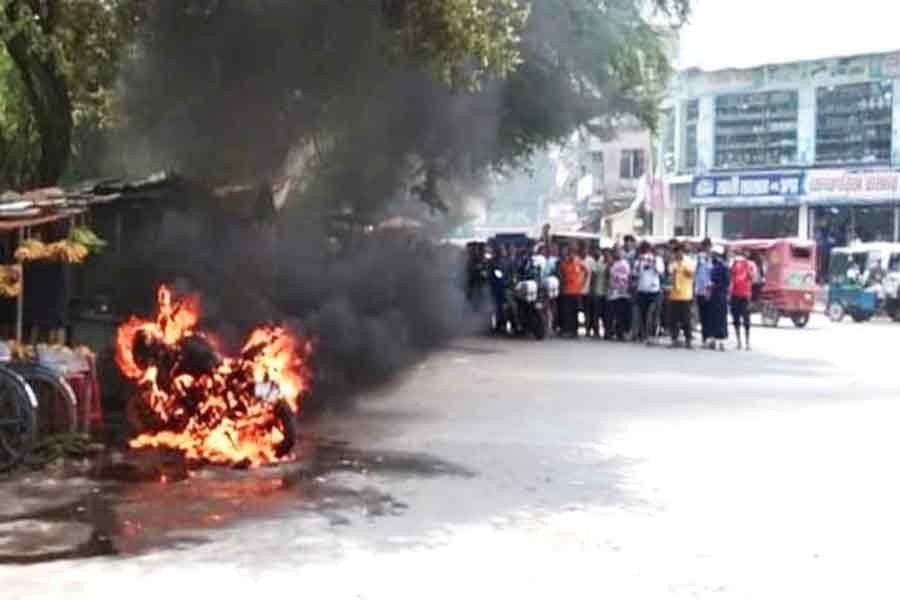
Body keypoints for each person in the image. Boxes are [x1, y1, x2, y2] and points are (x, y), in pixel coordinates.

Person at [635, 241, 664, 344]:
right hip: (642, 290)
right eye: (643, 250)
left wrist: (653, 261)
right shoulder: (639, 260)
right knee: (642, 314)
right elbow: (635, 273)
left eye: (646, 249)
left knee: (651, 313)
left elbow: (660, 272)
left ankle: (652, 334)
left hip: (654, 290)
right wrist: (639, 262)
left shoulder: (658, 259)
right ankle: (643, 335)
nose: (645, 252)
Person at [668, 242, 696, 348]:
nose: (678, 254)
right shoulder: (673, 263)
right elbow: (670, 273)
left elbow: (692, 274)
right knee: (673, 319)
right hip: (674, 295)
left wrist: (683, 268)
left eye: (680, 251)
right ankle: (674, 339)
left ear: (683, 252)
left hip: (685, 295)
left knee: (686, 319)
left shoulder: (688, 261)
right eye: (676, 252)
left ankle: (688, 340)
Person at [730, 249, 757, 351]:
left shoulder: (751, 265)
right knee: (736, 319)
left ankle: (747, 343)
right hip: (735, 294)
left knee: (746, 320)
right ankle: (739, 342)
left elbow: (752, 277)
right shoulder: (735, 263)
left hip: (745, 295)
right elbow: (731, 276)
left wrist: (746, 267)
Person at [559, 245, 587, 337]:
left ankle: (574, 331)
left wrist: (583, 283)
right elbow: (562, 273)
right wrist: (563, 284)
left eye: (572, 252)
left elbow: (587, 271)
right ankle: (568, 330)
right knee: (567, 312)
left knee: (575, 312)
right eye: (569, 252)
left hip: (576, 291)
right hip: (567, 291)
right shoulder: (565, 262)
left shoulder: (579, 261)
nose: (571, 254)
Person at [607, 247, 632, 341]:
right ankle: (614, 332)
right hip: (614, 293)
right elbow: (610, 277)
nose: (618, 254)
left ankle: (621, 333)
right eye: (617, 252)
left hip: (624, 293)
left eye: (620, 252)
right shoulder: (612, 263)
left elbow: (628, 277)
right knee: (614, 314)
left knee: (622, 314)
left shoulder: (626, 264)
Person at [708, 249, 731, 351]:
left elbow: (722, 281)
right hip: (720, 295)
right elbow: (727, 282)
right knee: (719, 318)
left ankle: (717, 341)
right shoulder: (723, 267)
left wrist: (714, 286)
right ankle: (718, 341)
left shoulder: (717, 267)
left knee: (716, 317)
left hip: (717, 294)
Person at [694, 238, 713, 347]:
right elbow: (695, 272)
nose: (707, 249)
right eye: (706, 246)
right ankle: (705, 337)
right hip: (700, 290)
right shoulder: (698, 258)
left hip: (710, 289)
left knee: (709, 314)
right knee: (703, 314)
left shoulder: (712, 258)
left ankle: (709, 337)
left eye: (708, 246)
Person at [588, 247, 608, 338]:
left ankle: (606, 331)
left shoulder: (610, 264)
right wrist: (592, 290)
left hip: (607, 293)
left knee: (605, 314)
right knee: (596, 313)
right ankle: (596, 332)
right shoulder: (598, 264)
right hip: (597, 292)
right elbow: (593, 277)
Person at [579, 243, 596, 336]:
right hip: (577, 290)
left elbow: (593, 275)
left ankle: (588, 330)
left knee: (587, 311)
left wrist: (591, 287)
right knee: (578, 311)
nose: (583, 251)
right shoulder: (577, 259)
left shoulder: (590, 260)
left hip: (587, 289)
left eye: (584, 249)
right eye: (581, 249)